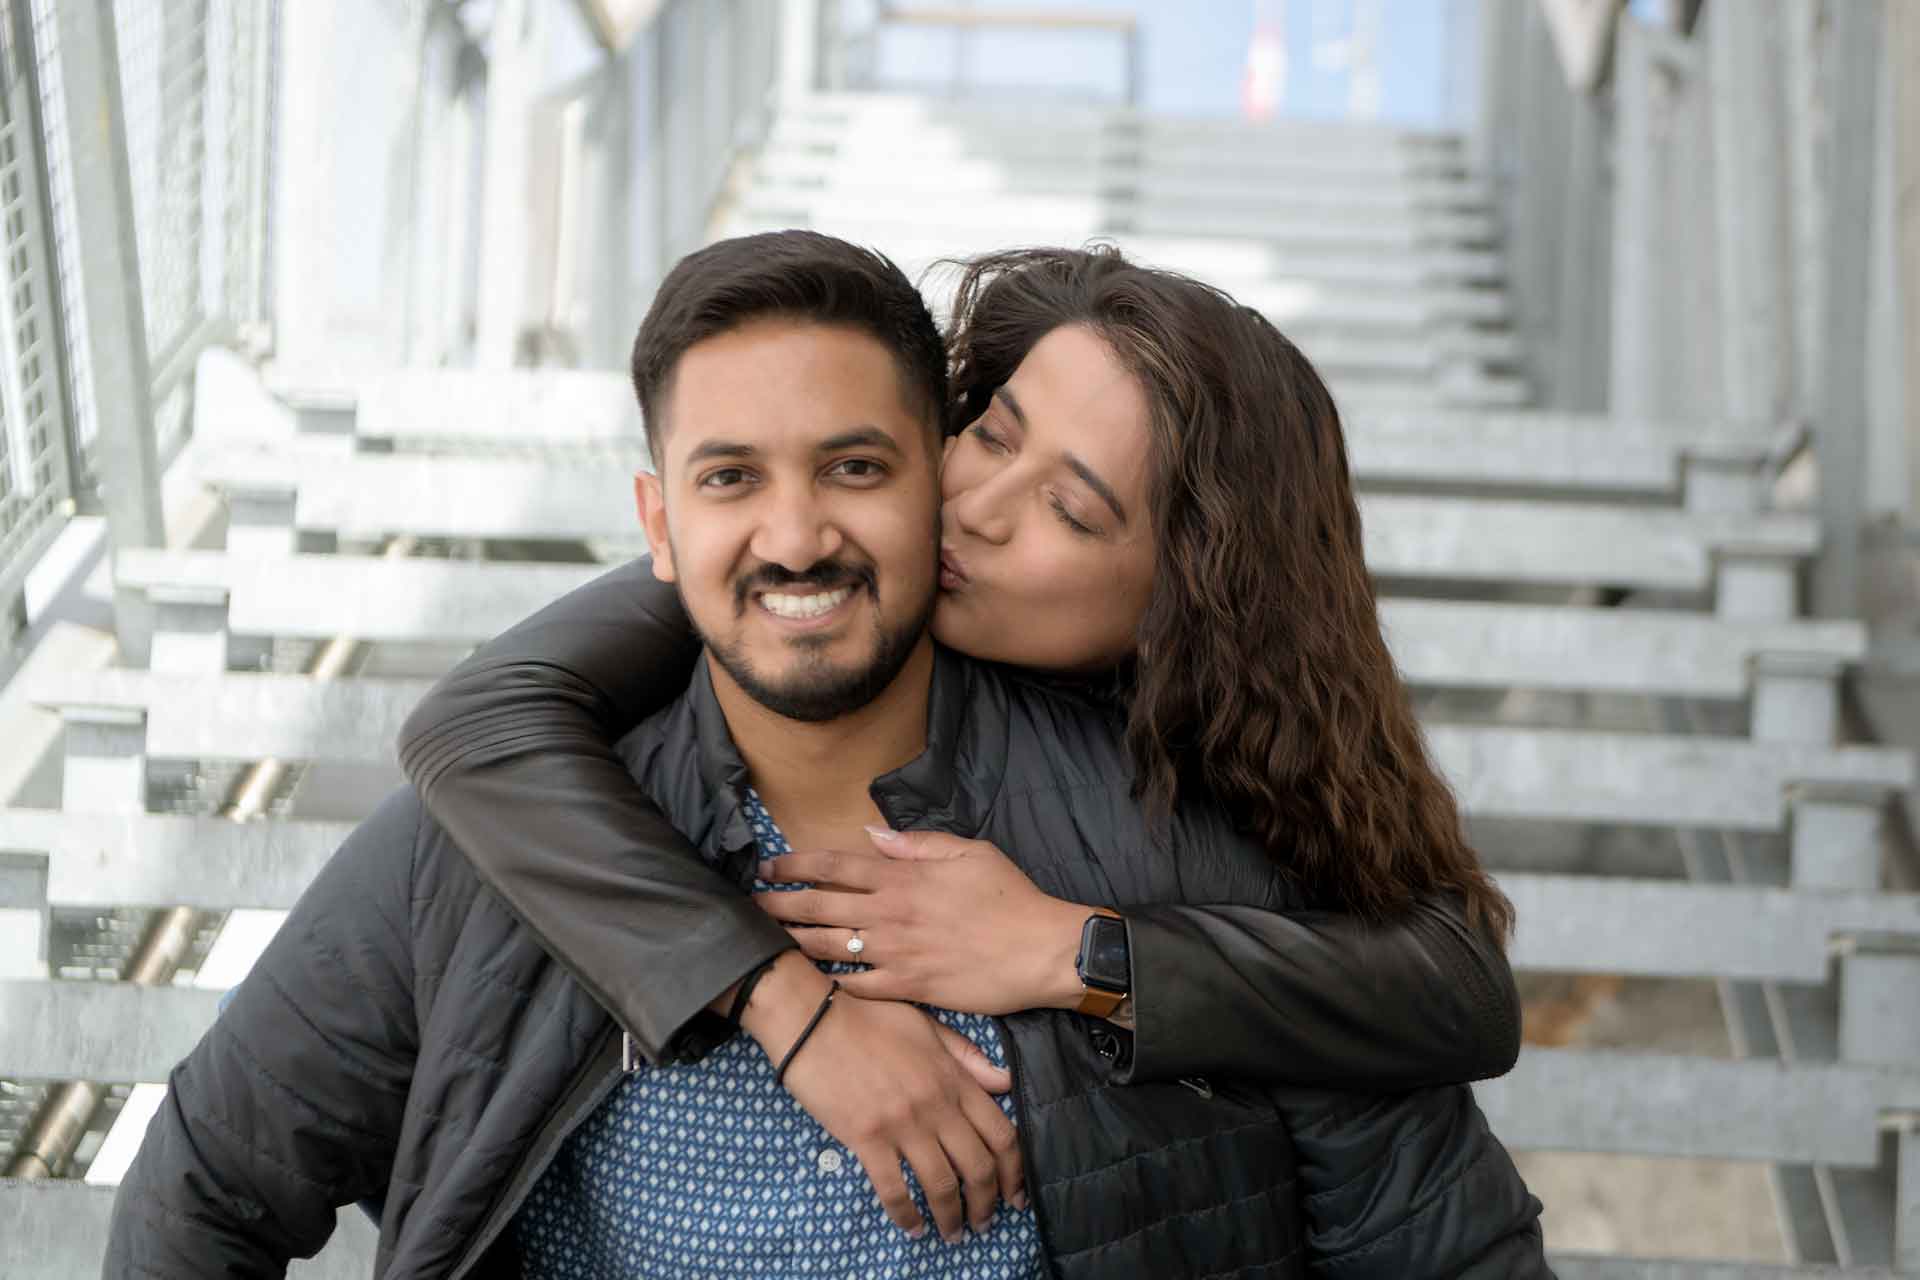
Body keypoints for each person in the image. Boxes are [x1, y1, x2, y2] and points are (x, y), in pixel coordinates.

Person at [106, 232, 1544, 1278]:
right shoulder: (507, 822)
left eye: (1075, 509)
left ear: (1177, 601)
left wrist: (1080, 955)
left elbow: (1449, 1059)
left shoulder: (1193, 850)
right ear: (663, 523)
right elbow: (211, 1186)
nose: (978, 508)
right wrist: (788, 1008)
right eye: (992, 436)